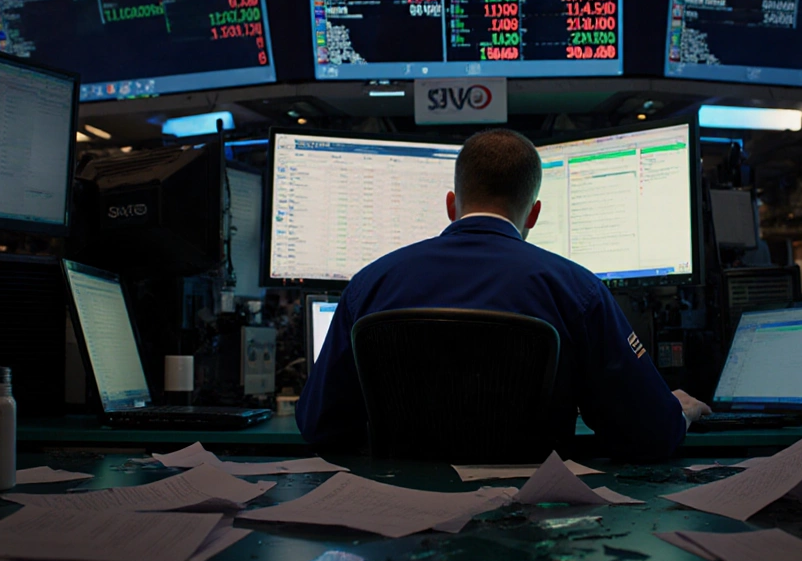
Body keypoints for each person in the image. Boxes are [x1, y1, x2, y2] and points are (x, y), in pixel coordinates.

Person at [298, 128, 710, 460]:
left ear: (450, 204)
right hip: (533, 518)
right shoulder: (578, 290)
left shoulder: (369, 285)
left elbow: (320, 427)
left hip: (402, 521)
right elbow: (650, 435)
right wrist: (678, 413)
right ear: (534, 213)